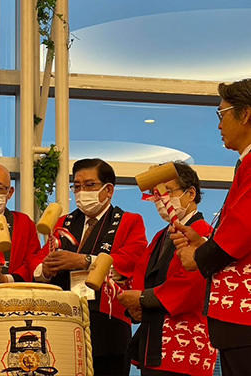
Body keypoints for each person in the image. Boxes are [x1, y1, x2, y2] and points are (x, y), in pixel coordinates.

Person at [30, 158, 147, 376]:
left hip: (107, 321)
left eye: (90, 185)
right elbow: (37, 259)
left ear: (109, 189)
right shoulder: (62, 223)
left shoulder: (129, 221)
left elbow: (132, 258)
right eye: (77, 186)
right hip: (62, 318)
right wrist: (44, 270)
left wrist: (84, 261)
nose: (82, 191)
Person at [172, 79, 251, 376]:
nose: (219, 125)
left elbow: (244, 228)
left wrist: (200, 256)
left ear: (245, 114)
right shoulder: (245, 163)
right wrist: (204, 240)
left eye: (223, 114)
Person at [118, 161, 217, 376]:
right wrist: (135, 305)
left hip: (186, 341)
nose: (161, 200)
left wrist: (143, 299)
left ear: (190, 194)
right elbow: (141, 273)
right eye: (157, 194)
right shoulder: (161, 236)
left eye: (167, 192)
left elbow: (191, 286)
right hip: (154, 338)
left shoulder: (203, 234)